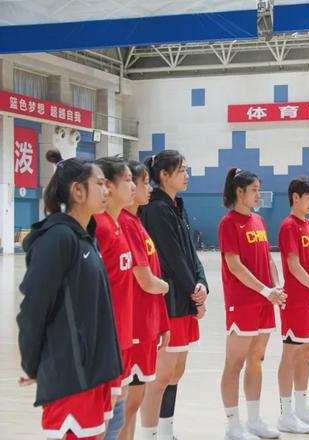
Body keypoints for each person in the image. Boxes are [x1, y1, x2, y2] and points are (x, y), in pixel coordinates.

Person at [17, 150, 122, 439]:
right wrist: (32, 364)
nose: (106, 189)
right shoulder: (57, 238)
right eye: (99, 183)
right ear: (77, 190)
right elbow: (34, 307)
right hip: (70, 374)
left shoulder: (85, 237)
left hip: (94, 371)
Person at [140, 150, 209, 440]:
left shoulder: (177, 205)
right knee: (161, 376)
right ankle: (149, 434)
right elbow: (171, 257)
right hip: (169, 302)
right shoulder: (156, 209)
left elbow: (190, 252)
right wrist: (194, 292)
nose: (187, 175)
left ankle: (166, 431)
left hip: (184, 298)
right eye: (181, 171)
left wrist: (202, 283)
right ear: (164, 175)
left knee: (176, 371)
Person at [219, 168, 286, 440]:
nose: (259, 194)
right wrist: (265, 290)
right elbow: (234, 266)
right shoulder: (228, 223)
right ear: (240, 191)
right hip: (243, 302)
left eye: (259, 189)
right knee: (234, 363)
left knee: (257, 359)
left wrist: (277, 285)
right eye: (255, 190)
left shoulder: (258, 220)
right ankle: (233, 425)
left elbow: (268, 258)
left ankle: (255, 420)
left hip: (264, 301)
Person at [117, 160, 170, 440]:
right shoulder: (125, 224)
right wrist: (166, 287)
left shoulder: (137, 222)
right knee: (127, 404)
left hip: (146, 323)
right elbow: (145, 280)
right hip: (134, 325)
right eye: (144, 183)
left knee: (133, 402)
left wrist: (160, 321)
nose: (149, 188)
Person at [276, 176, 309, 434]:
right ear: (295, 197)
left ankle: (301, 408)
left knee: (307, 353)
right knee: (291, 354)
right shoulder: (289, 226)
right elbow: (294, 266)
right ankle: (285, 414)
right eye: (307, 198)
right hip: (296, 300)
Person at [94, 157, 137, 439]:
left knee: (118, 407)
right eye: (128, 180)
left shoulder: (118, 225)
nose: (133, 186)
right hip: (104, 341)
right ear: (108, 186)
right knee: (100, 417)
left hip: (122, 336)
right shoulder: (98, 227)